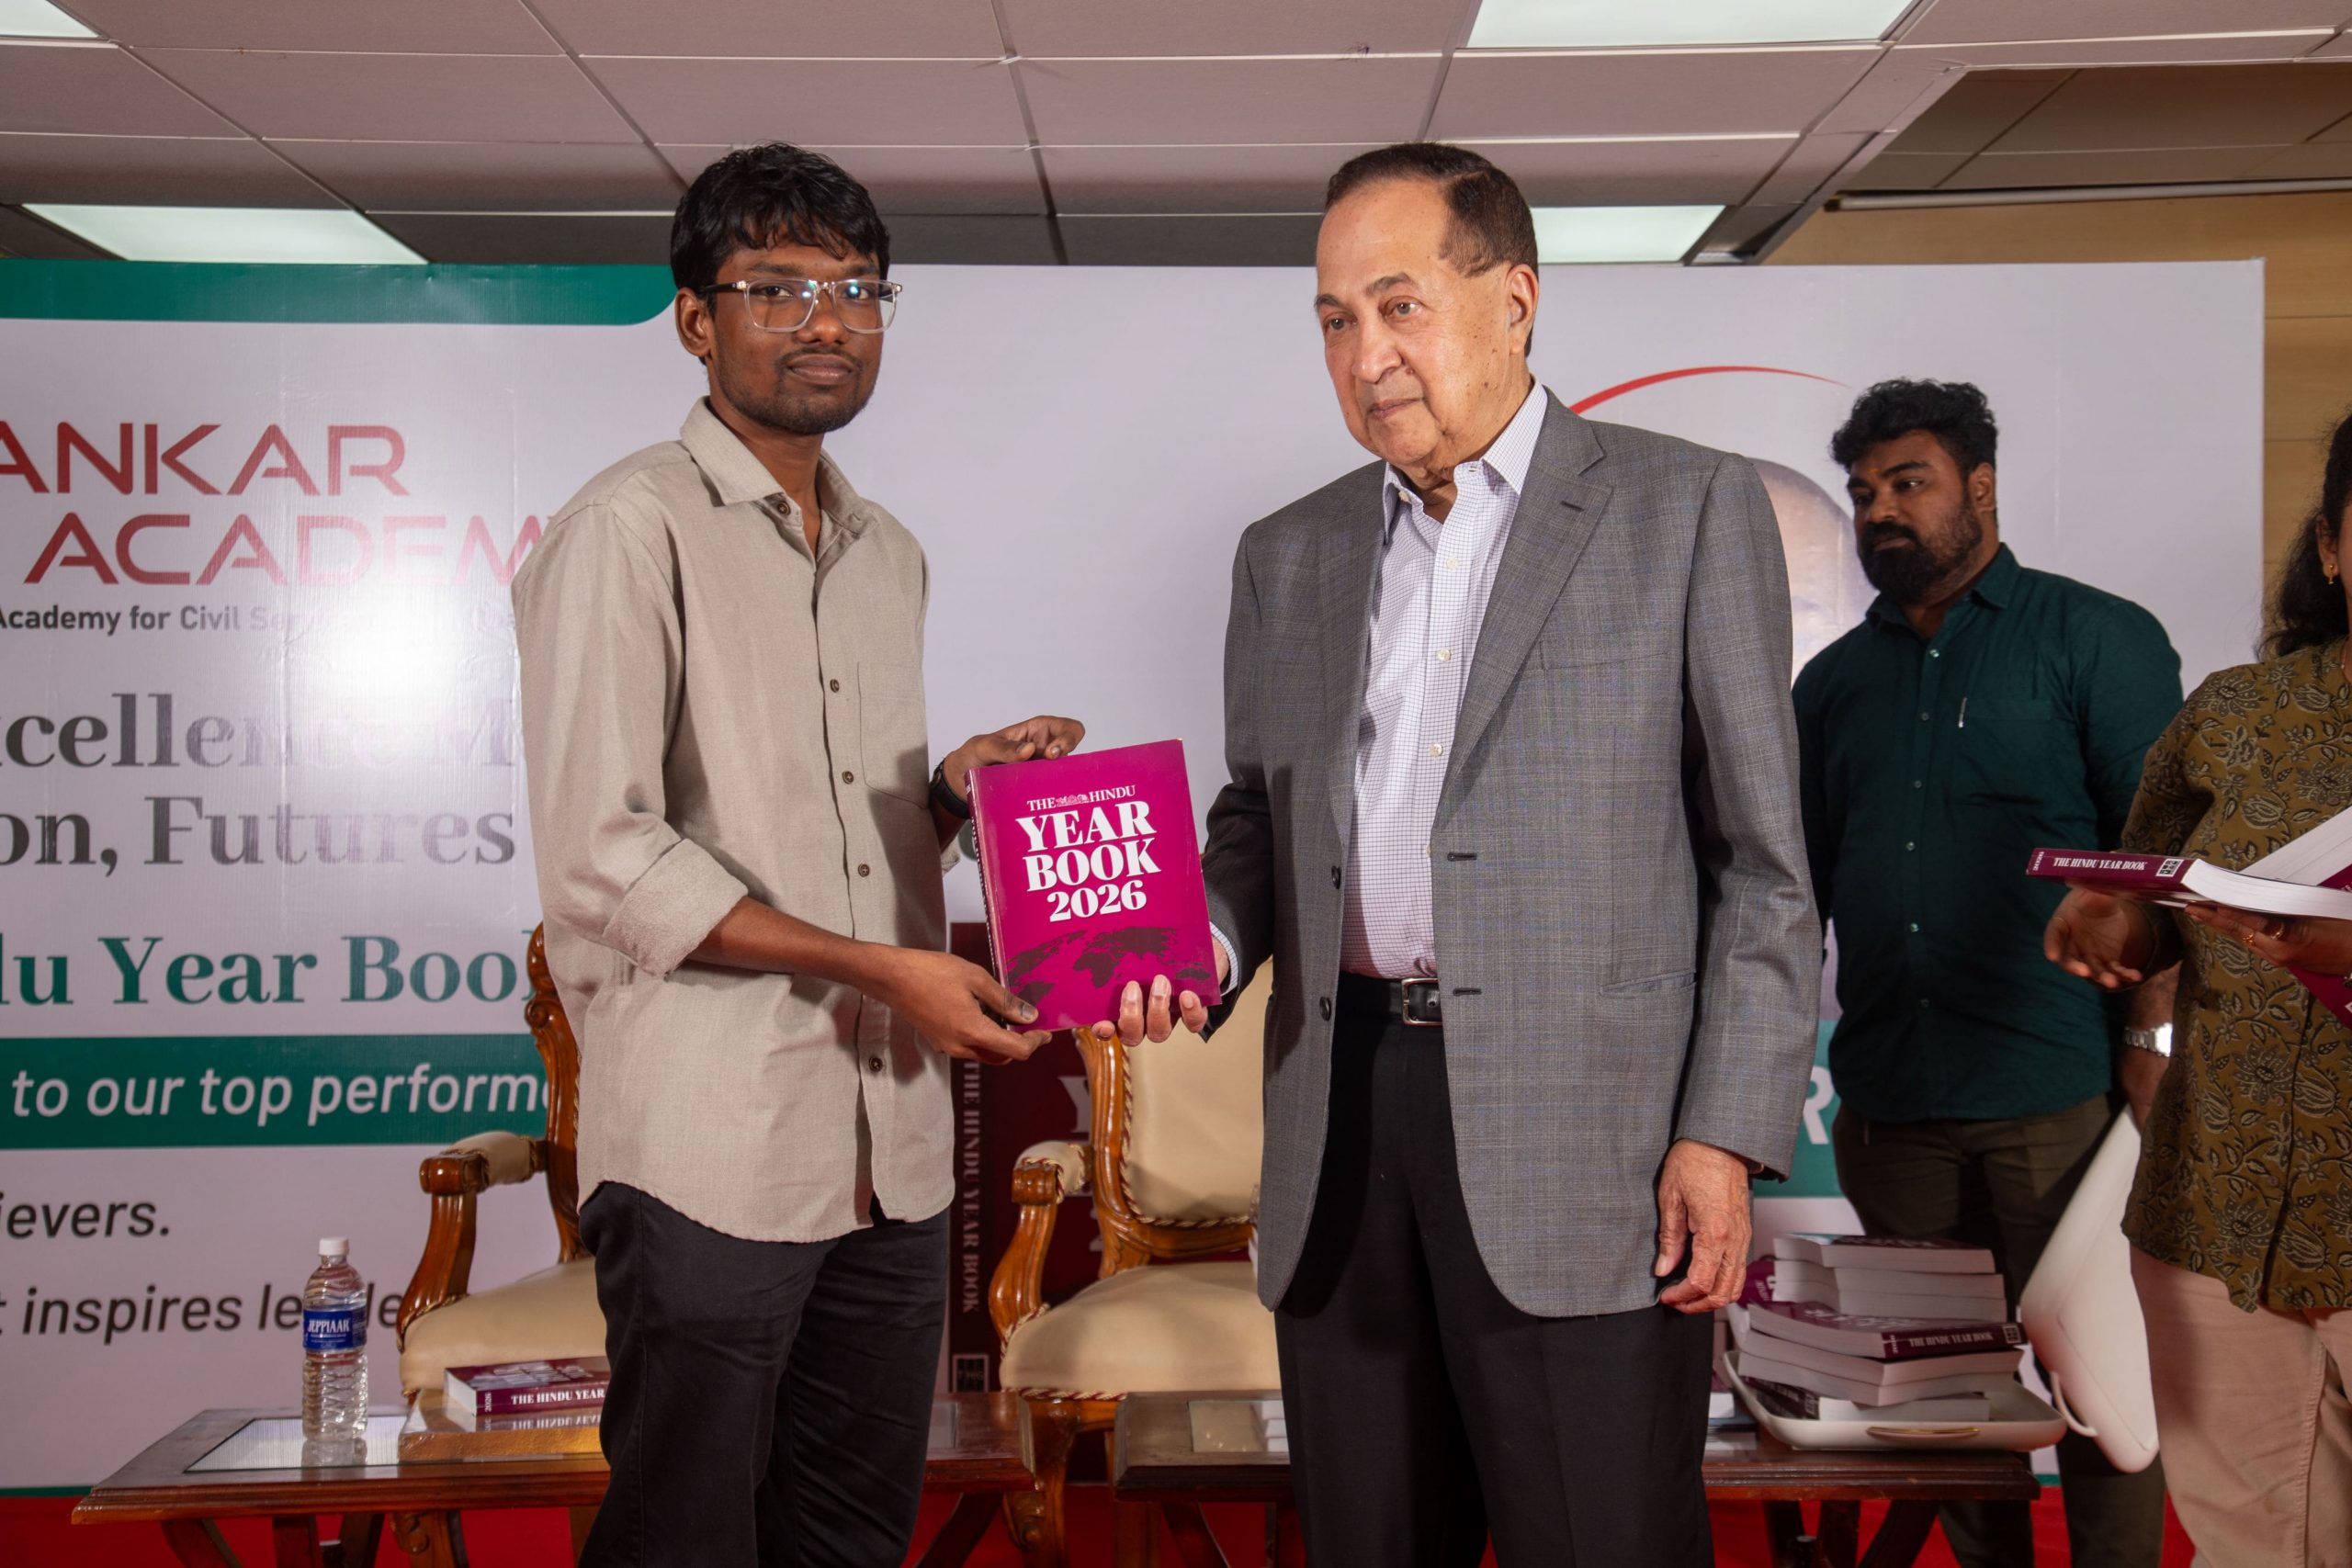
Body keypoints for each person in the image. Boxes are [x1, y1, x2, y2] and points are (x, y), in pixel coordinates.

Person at [1105, 141, 1819, 1566]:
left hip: (1595, 1148)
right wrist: (1210, 937)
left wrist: (1723, 1133)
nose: (1364, 353)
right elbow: (1256, 811)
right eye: (1333, 318)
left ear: (1515, 303)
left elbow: (1762, 861)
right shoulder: (1288, 552)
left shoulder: (1684, 508)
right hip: (1343, 1124)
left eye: (1399, 305)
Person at [511, 143, 1079, 1568]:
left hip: (890, 1151)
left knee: (846, 1536)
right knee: (686, 1536)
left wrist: (949, 796)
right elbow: (605, 857)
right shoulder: (623, 530)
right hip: (714, 1146)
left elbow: (829, 833)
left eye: (857, 288)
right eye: (775, 287)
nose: (826, 319)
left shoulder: (890, 553)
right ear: (694, 320)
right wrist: (881, 966)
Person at [1793, 378, 2177, 1568]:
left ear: (1982, 486)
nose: (1880, 511)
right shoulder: (1831, 686)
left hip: (2058, 1097)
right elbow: (1794, 893)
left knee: (2101, 1387)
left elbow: (2163, 866)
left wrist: (2152, 1054)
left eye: (1907, 482)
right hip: (1894, 1106)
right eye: (1864, 492)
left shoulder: (2094, 637)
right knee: (1949, 1403)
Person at [2045, 408, 2352, 1567]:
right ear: (2329, 547)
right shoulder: (2234, 713)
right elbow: (2157, 897)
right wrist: (2109, 918)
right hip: (2216, 1212)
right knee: (2251, 1549)